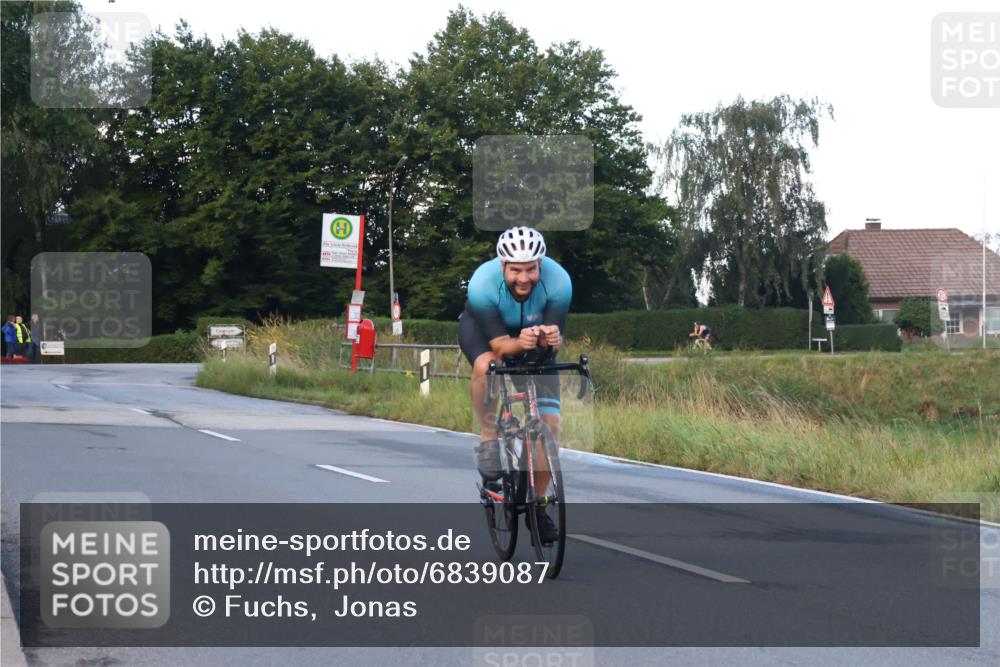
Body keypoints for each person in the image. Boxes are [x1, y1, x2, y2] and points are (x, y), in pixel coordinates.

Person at [459, 226, 572, 544]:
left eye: (531, 269)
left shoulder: (559, 282)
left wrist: (552, 339)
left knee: (549, 424)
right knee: (487, 366)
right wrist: (519, 342)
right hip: (486, 334)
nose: (524, 278)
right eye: (516, 270)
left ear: (541, 264)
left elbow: (552, 344)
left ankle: (539, 508)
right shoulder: (482, 284)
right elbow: (498, 346)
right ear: (502, 267)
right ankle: (489, 434)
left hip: (530, 339)